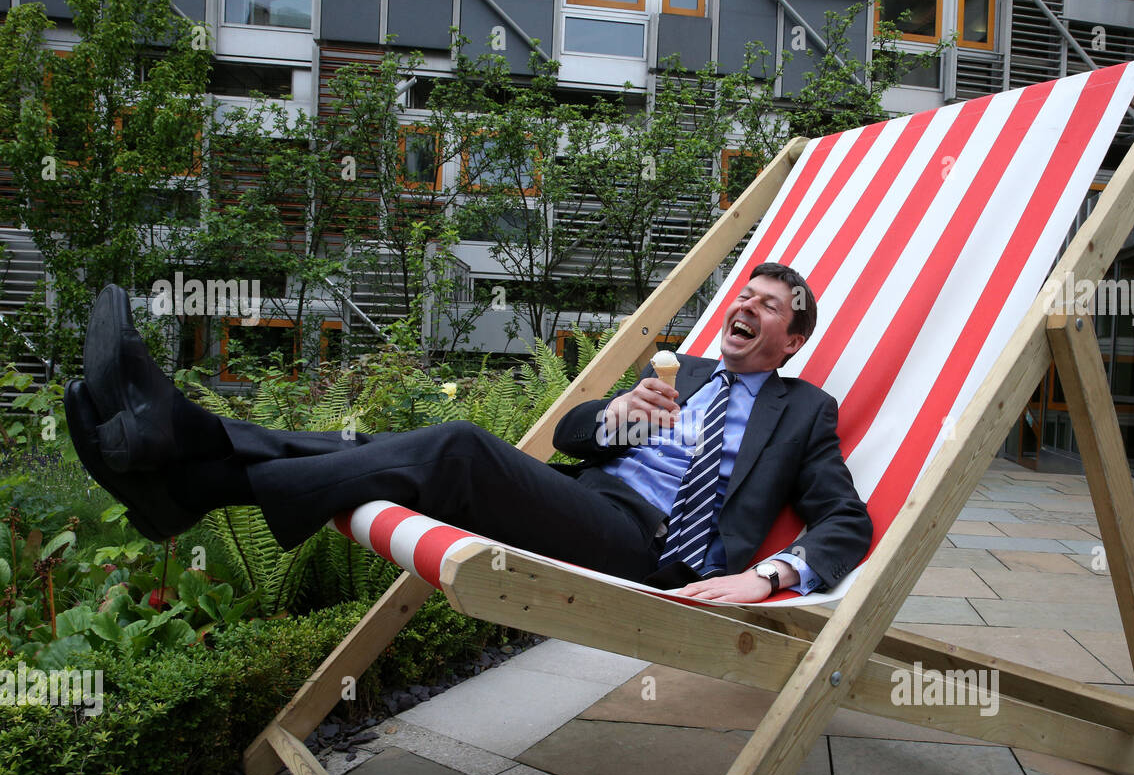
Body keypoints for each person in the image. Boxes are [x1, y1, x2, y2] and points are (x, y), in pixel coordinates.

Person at [64, 262, 871, 604]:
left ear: (792, 340)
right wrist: (614, 420)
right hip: (589, 499)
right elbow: (572, 439)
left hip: (655, 550)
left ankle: (189, 453)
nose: (748, 305)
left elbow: (846, 520)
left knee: (451, 448)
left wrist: (771, 579)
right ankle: (187, 465)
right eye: (747, 293)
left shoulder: (803, 411)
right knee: (394, 457)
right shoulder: (680, 374)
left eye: (770, 305)